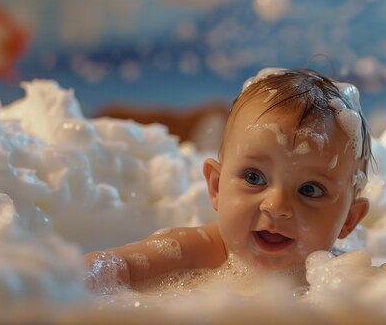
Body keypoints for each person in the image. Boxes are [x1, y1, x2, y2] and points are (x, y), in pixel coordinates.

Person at [83, 68, 371, 292]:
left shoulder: (340, 276)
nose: (276, 205)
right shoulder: (196, 251)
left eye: (310, 189)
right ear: (216, 186)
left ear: (349, 219)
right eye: (254, 177)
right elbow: (113, 266)